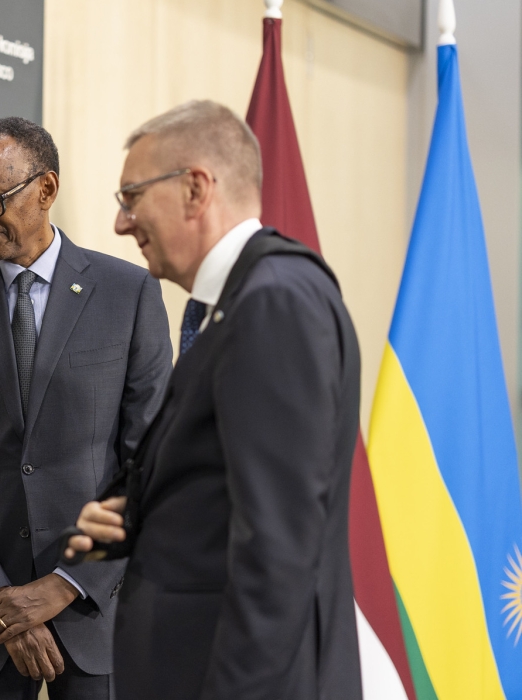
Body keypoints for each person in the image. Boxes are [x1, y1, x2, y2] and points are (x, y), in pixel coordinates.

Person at [64, 100, 363, 699]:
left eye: (131, 197)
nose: (121, 223)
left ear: (196, 189)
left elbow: (278, 552)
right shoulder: (239, 302)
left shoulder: (273, 302)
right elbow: (227, 487)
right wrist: (135, 517)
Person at [0, 117, 172, 700]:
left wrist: (68, 583)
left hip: (98, 609)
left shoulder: (129, 294)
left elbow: (151, 462)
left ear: (45, 189)